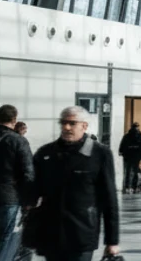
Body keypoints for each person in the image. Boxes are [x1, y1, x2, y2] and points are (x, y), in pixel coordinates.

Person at [30, 106, 119, 261]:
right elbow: (32, 189)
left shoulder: (99, 154)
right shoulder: (46, 153)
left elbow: (109, 198)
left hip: (82, 232)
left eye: (72, 123)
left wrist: (112, 241)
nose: (66, 127)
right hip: (51, 233)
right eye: (63, 123)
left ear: (84, 126)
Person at [0, 105, 34, 261]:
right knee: (4, 244)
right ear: (14, 120)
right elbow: (28, 173)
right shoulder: (18, 141)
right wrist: (29, 201)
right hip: (7, 200)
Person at [117, 123, 141, 195]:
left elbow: (122, 145)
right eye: (137, 127)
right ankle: (133, 187)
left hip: (128, 156)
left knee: (128, 171)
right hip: (135, 156)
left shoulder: (127, 136)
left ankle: (127, 187)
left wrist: (121, 151)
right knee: (134, 172)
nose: (138, 129)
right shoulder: (139, 135)